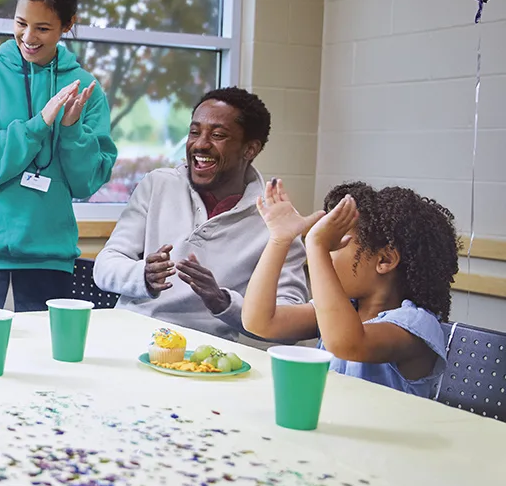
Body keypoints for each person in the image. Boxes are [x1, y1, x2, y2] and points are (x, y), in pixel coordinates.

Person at [0, 0, 117, 311]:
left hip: (48, 257)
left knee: (43, 360)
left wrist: (70, 130)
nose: (28, 37)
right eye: (21, 23)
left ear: (68, 25)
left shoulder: (84, 90)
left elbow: (86, 182)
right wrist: (37, 126)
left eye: (43, 28)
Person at [93, 87, 309, 344]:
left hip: (206, 353)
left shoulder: (275, 219)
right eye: (194, 132)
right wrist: (144, 276)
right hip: (131, 337)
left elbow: (289, 318)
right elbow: (105, 265)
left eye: (217, 135)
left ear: (250, 149)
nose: (200, 144)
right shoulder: (157, 185)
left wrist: (223, 301)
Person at [243, 180, 459, 397]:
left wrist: (317, 245)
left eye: (335, 246)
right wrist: (280, 240)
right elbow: (259, 321)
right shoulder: (343, 311)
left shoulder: (415, 326)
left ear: (384, 259)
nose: (324, 257)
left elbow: (347, 343)